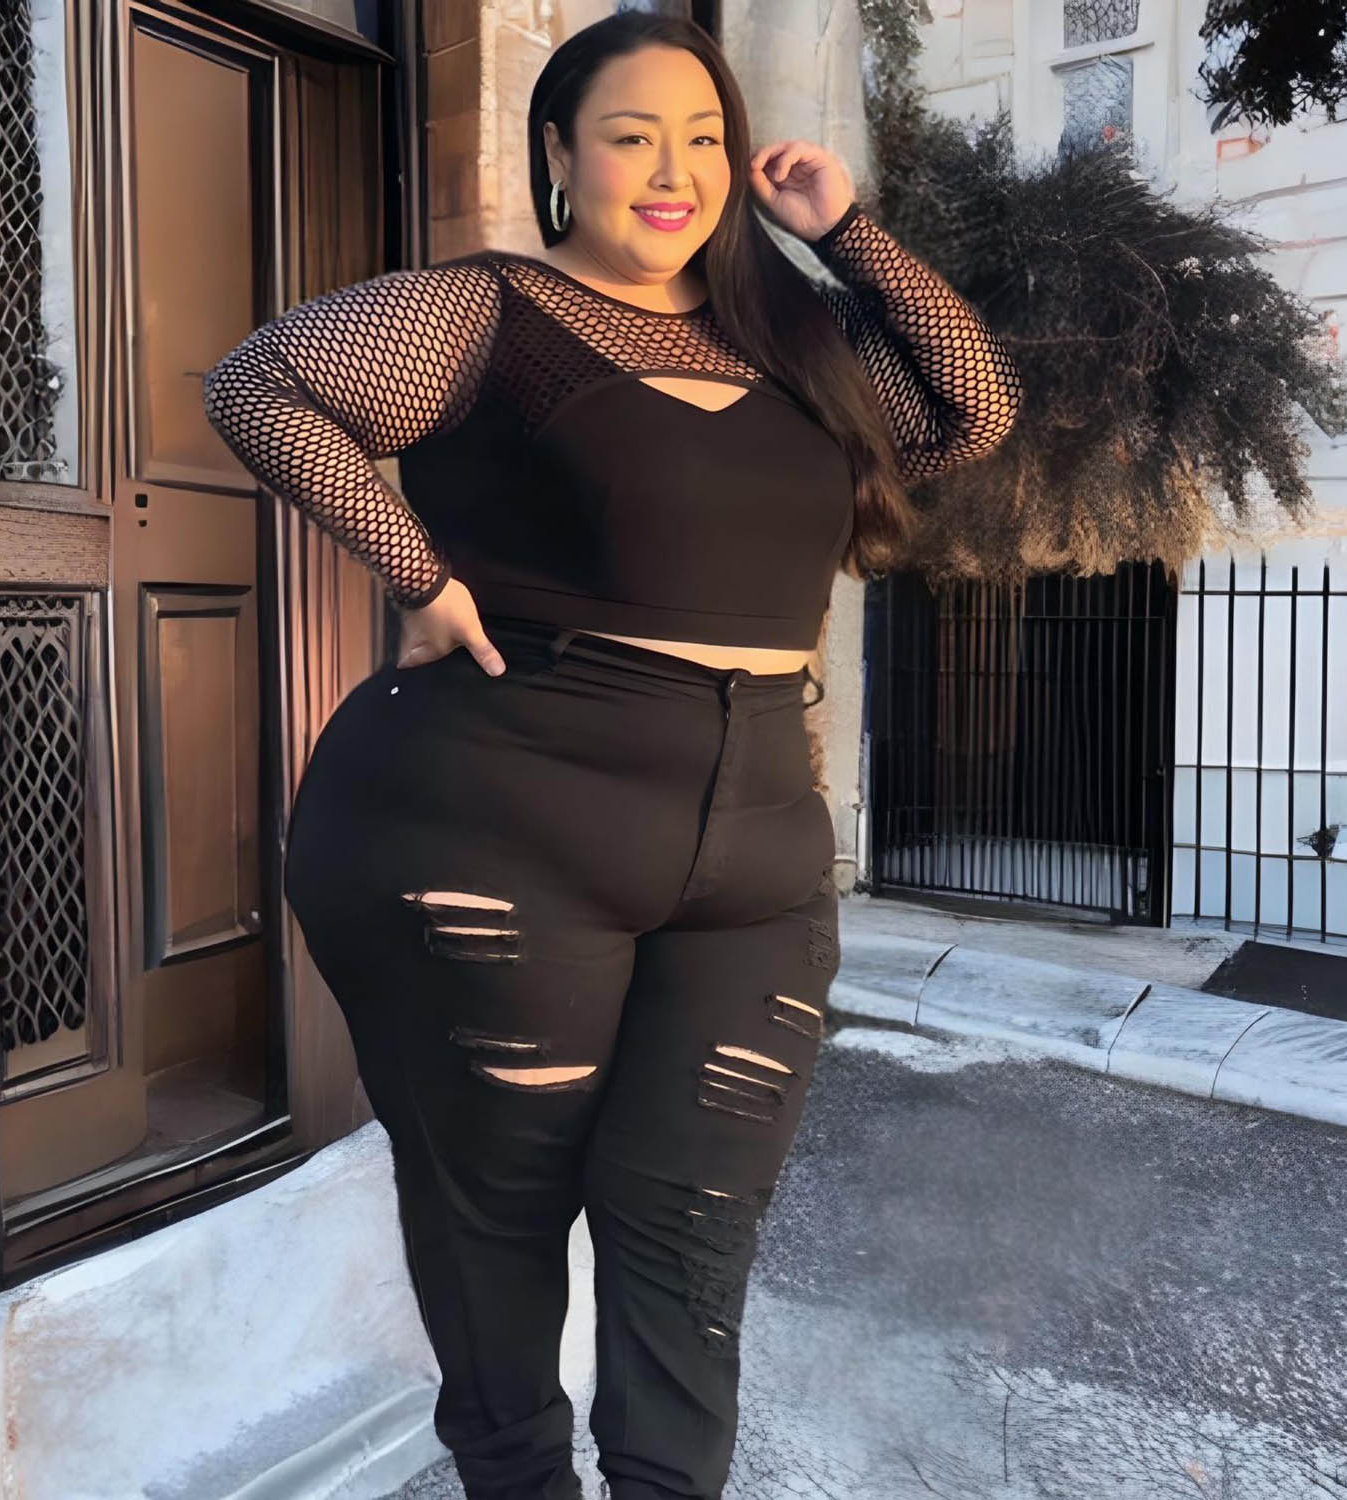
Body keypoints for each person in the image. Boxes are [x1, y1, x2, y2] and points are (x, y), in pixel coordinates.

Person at [202, 12, 1021, 1497]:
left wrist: (847, 233)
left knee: (690, 1234)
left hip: (756, 846)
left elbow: (975, 403)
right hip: (498, 820)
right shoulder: (492, 315)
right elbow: (261, 383)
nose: (673, 170)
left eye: (703, 138)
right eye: (633, 136)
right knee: (498, 1223)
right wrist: (418, 575)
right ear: (560, 154)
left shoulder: (796, 351)